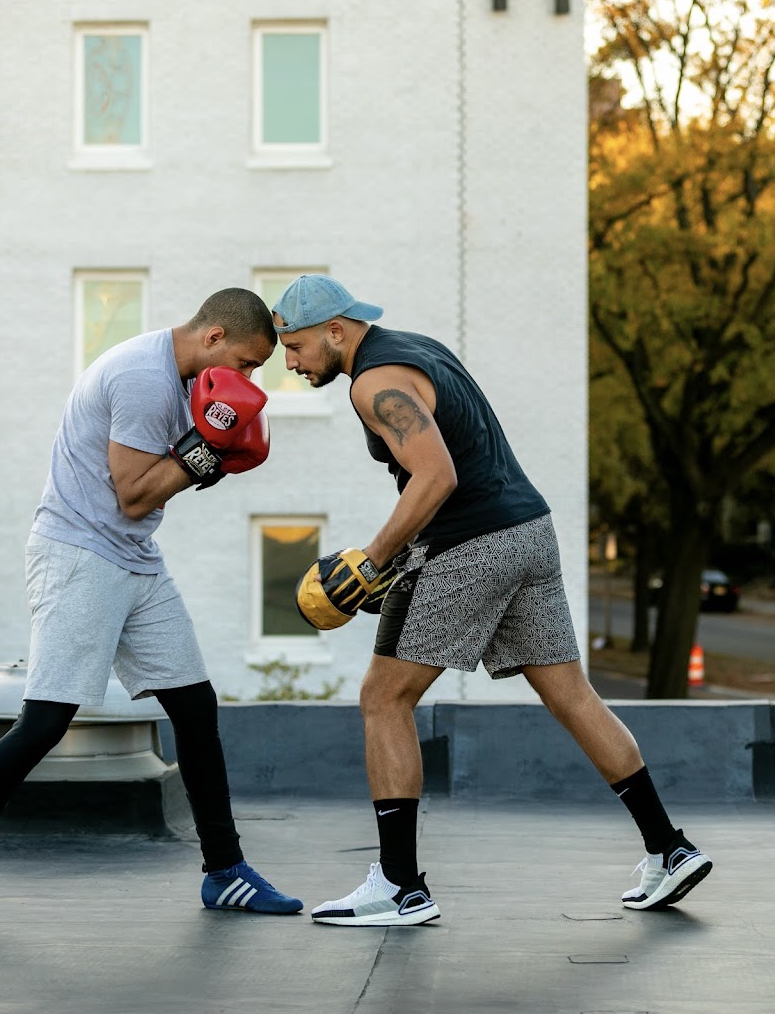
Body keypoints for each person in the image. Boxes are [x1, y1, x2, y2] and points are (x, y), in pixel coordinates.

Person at [273, 274, 711, 927]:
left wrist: (373, 560)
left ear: (336, 331)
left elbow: (436, 475)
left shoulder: (373, 383)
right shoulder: (418, 349)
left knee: (383, 698)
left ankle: (400, 887)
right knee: (572, 695)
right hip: (529, 532)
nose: (290, 363)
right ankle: (669, 848)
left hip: (470, 546)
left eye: (296, 347)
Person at [0, 287, 303, 928]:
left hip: (134, 557)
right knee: (45, 722)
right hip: (80, 555)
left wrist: (209, 459)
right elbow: (135, 494)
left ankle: (225, 872)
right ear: (213, 337)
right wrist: (208, 452)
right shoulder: (144, 378)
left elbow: (156, 490)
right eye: (247, 364)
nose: (249, 380)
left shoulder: (190, 380)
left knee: (194, 708)